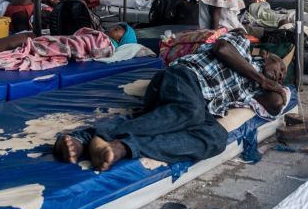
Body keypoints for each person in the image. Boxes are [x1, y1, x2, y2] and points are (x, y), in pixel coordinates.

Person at [52, 31, 288, 171]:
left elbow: (277, 103)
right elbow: (222, 48)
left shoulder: (253, 89)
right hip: (181, 78)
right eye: (281, 67)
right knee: (190, 112)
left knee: (215, 138)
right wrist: (262, 78)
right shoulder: (243, 46)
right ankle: (91, 135)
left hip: (194, 106)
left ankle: (121, 148)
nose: (280, 75)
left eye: (283, 77)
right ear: (267, 55)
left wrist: (275, 87)